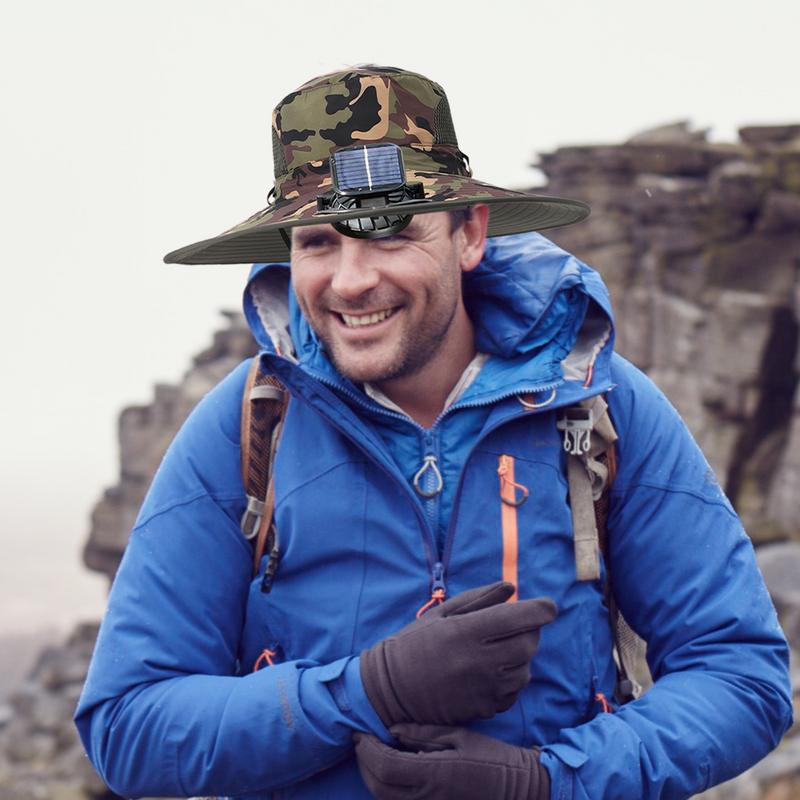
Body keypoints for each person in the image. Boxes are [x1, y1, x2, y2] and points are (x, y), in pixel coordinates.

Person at [75, 65, 792, 800]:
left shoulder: (601, 405)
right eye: (319, 241)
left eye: (388, 234)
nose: (351, 280)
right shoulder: (248, 424)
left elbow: (742, 677)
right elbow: (126, 728)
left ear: (469, 234)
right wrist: (366, 690)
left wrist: (547, 784)